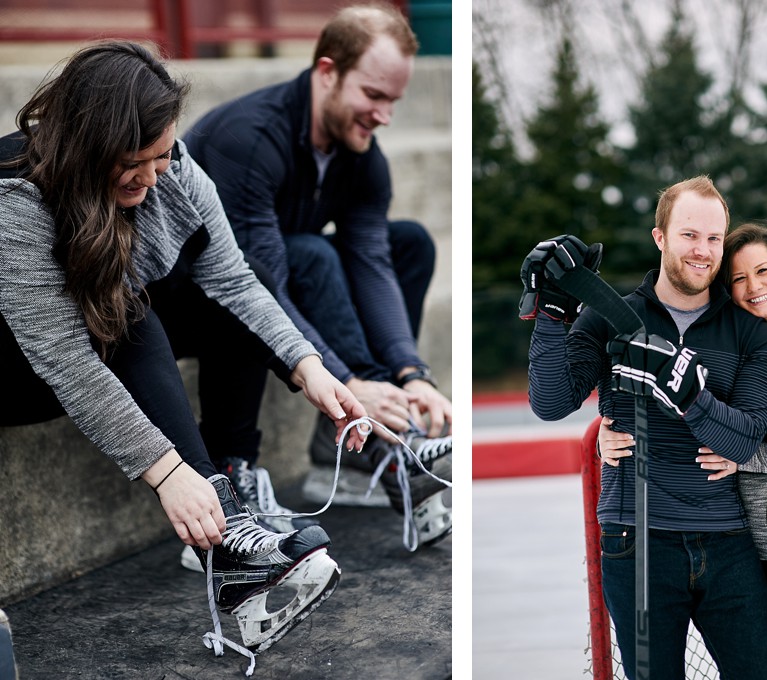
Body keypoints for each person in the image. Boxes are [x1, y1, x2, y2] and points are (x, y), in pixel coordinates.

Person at [0, 41, 368, 658]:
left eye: (163, 153)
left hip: (91, 337)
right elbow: (63, 356)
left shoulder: (177, 171)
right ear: (86, 148)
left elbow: (235, 281)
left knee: (153, 306)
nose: (152, 176)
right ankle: (223, 533)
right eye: (133, 163)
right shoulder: (18, 197)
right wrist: (169, 473)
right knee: (127, 311)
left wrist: (313, 369)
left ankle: (227, 528)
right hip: (17, 365)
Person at [183, 2, 452, 551]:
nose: (383, 116)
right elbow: (253, 284)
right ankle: (344, 442)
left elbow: (373, 262)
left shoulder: (361, 155)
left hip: (274, 279)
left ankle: (354, 445)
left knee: (409, 245)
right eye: (373, 96)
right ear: (326, 72)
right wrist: (346, 385)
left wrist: (409, 373)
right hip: (188, 298)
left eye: (393, 102)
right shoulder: (249, 139)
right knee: (307, 256)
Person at [523, 176, 767, 679]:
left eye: (713, 238)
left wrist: (688, 394)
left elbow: (745, 437)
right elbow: (552, 403)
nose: (703, 251)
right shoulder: (610, 319)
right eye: (690, 235)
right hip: (636, 538)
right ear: (660, 237)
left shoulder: (749, 331)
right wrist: (553, 313)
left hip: (726, 539)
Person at [602, 223, 767, 679]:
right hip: (752, 552)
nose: (753, 287)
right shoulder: (732, 350)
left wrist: (744, 454)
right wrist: (610, 433)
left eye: (763, 271)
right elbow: (683, 417)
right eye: (739, 279)